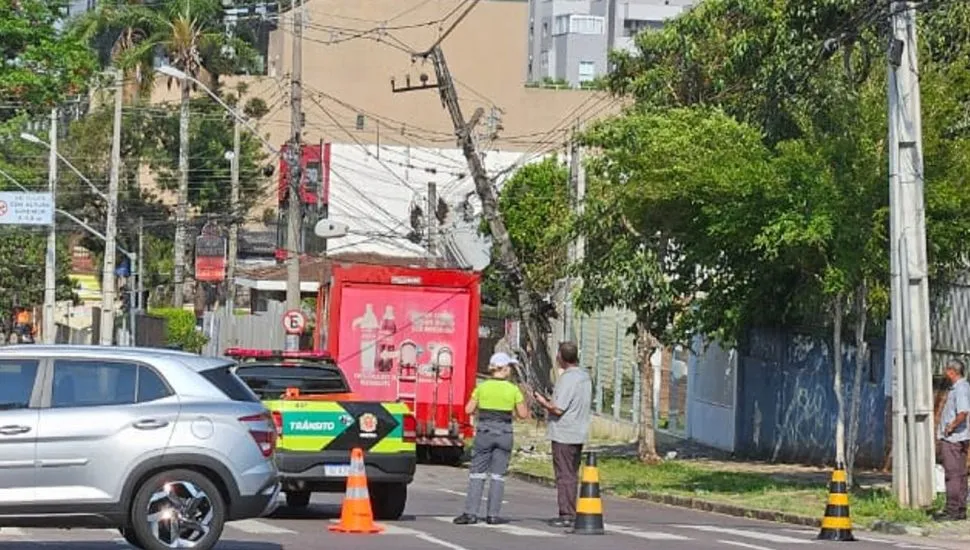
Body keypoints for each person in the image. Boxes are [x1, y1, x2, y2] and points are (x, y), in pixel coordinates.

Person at [453, 352, 529, 525]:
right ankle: (493, 515)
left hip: (484, 433)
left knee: (477, 474)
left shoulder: (482, 387)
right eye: (509, 367)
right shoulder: (513, 389)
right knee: (498, 476)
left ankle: (471, 513)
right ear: (503, 369)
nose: (510, 370)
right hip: (504, 433)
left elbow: (468, 409)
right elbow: (523, 414)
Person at [532, 341, 592, 528]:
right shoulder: (585, 377)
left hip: (564, 433)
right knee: (571, 473)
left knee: (564, 475)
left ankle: (567, 513)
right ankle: (570, 510)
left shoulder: (568, 379)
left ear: (561, 358)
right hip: (578, 431)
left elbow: (558, 409)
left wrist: (542, 401)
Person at [937, 359, 970, 521]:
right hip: (961, 437)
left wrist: (950, 427)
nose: (945, 373)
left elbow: (963, 412)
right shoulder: (961, 387)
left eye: (946, 370)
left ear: (952, 371)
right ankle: (960, 509)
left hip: (954, 438)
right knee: (961, 473)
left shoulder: (960, 388)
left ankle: (952, 509)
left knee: (953, 474)